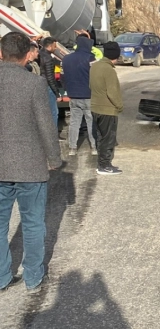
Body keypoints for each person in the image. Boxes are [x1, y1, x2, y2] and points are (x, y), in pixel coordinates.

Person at [0, 32, 62, 293]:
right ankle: (33, 278)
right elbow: (47, 127)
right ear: (27, 54)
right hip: (31, 166)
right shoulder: (35, 84)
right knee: (34, 223)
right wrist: (54, 159)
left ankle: (2, 278)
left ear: (1, 53)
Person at [90, 41, 123, 175]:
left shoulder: (95, 66)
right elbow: (112, 92)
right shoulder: (109, 70)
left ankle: (101, 163)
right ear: (116, 55)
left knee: (100, 136)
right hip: (107, 110)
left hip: (95, 107)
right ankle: (104, 165)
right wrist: (119, 106)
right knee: (108, 138)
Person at [62, 35, 97, 156]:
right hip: (88, 95)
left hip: (73, 95)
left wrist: (68, 89)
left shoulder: (66, 58)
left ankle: (72, 148)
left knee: (74, 122)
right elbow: (95, 75)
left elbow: (62, 77)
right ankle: (94, 147)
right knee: (91, 121)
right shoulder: (90, 58)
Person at [39, 37, 62, 127]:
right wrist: (57, 93)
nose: (55, 48)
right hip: (48, 86)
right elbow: (50, 77)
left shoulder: (40, 54)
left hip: (41, 85)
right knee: (54, 112)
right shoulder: (48, 58)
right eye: (55, 46)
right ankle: (53, 135)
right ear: (51, 45)